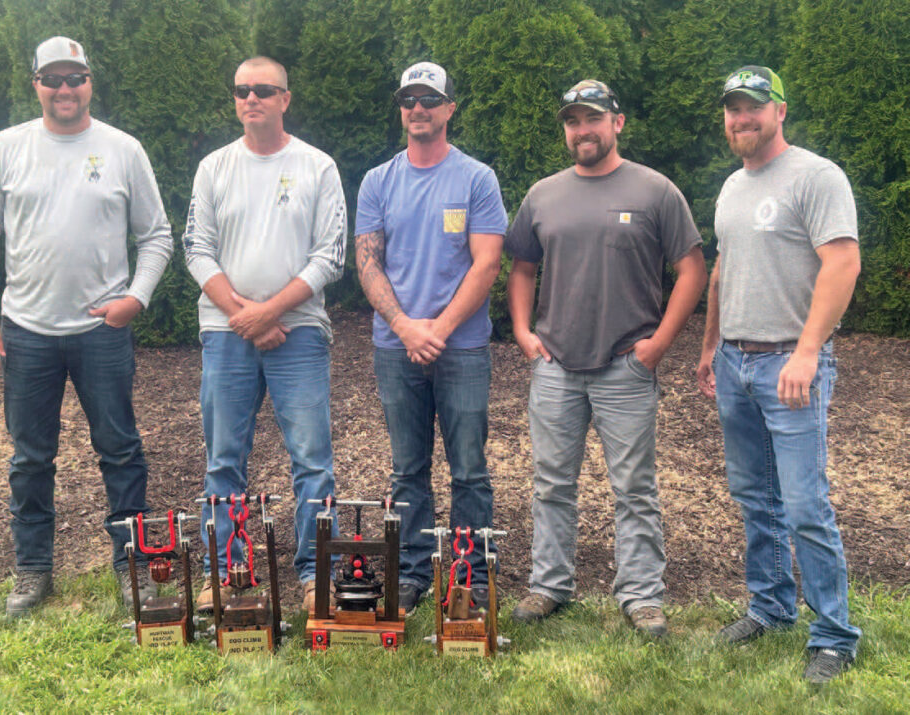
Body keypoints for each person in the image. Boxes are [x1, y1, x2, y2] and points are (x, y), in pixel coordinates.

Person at [0, 36, 173, 617]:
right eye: (52, 78)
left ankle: (132, 565)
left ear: (89, 83)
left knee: (120, 450)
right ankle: (33, 569)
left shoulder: (123, 149)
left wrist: (136, 298)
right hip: (26, 331)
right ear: (35, 84)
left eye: (74, 78)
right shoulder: (7, 148)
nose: (64, 89)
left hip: (102, 331)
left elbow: (156, 235)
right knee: (30, 459)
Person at [505, 80, 707, 636]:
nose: (583, 130)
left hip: (626, 366)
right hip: (556, 367)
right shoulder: (543, 194)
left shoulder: (655, 190)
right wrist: (522, 331)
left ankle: (641, 595)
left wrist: (659, 345)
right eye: (573, 121)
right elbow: (522, 267)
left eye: (593, 119)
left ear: (617, 123)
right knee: (551, 484)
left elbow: (692, 269)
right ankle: (549, 585)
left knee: (634, 489)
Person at [696, 66, 862, 683]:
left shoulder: (816, 176)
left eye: (754, 107)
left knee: (804, 505)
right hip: (735, 362)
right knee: (754, 497)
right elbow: (722, 270)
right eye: (733, 108)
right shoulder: (731, 186)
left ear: (780, 111)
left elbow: (842, 263)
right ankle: (769, 608)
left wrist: (809, 351)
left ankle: (834, 635)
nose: (742, 118)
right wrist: (711, 347)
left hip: (791, 363)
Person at [183, 56, 346, 612]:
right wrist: (245, 315)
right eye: (242, 90)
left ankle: (315, 575)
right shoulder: (214, 167)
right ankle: (223, 572)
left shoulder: (317, 166)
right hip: (226, 331)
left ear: (285, 99)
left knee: (312, 460)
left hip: (299, 332)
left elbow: (331, 256)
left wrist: (270, 312)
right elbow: (196, 249)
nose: (251, 98)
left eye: (263, 90)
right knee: (223, 458)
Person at [354, 62, 508, 614]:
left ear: (449, 108)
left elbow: (487, 264)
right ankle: (414, 572)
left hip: (460, 349)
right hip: (396, 347)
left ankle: (471, 576)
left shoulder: (476, 179)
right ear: (401, 109)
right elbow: (368, 263)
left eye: (428, 99)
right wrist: (404, 327)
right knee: (407, 470)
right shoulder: (378, 181)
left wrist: (437, 331)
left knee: (469, 469)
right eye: (408, 100)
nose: (417, 108)